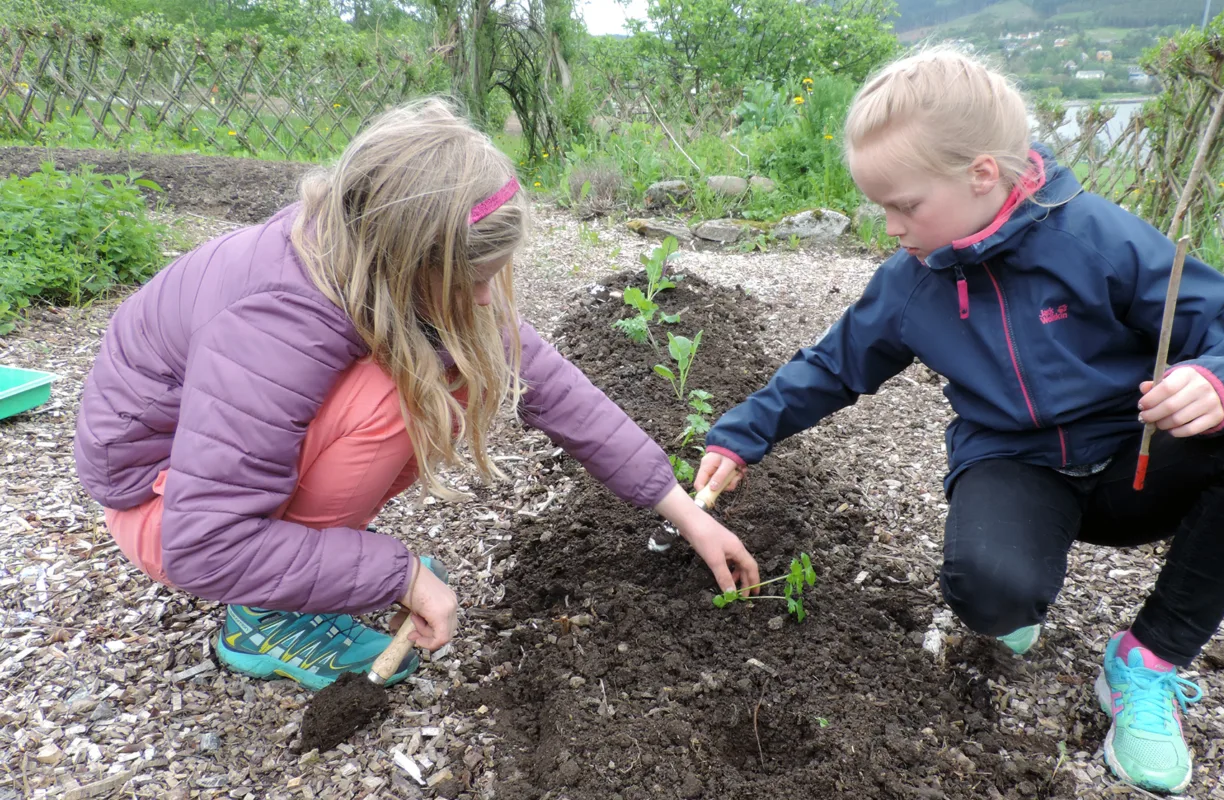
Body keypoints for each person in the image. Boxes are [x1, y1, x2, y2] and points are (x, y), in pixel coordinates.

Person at [693, 47, 1224, 794]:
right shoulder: (912, 282)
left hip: (1140, 457)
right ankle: (1017, 585)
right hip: (1016, 465)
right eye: (881, 207)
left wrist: (1216, 380)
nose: (891, 226)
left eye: (905, 205)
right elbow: (834, 366)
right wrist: (742, 434)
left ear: (982, 175)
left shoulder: (1097, 238)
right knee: (990, 596)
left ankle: (1147, 660)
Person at [74, 97, 759, 692]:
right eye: (472, 278)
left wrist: (681, 509)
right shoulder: (275, 319)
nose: (489, 295)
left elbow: (549, 385)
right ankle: (264, 617)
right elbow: (205, 542)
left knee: (464, 354)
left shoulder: (360, 251)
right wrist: (396, 574)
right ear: (404, 257)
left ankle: (303, 556)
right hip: (164, 506)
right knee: (403, 397)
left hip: (207, 486)